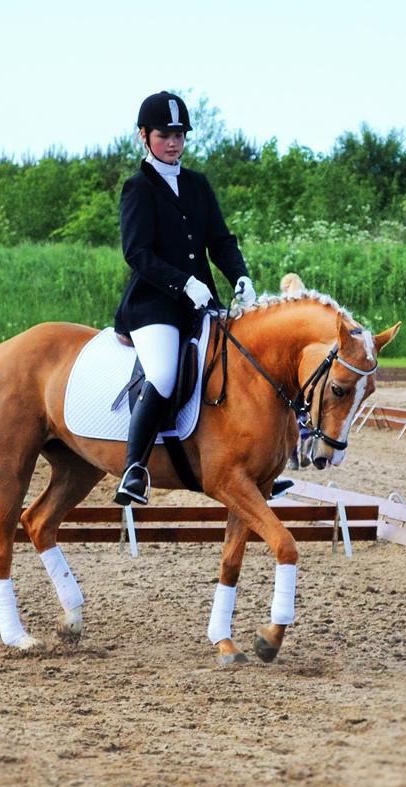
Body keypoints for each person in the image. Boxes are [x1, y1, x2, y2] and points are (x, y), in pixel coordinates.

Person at [113, 91, 257, 505]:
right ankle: (134, 468)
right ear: (144, 136)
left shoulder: (197, 184)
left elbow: (220, 241)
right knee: (162, 374)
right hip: (154, 306)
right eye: (164, 134)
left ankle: (252, 463)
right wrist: (183, 283)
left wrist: (240, 277)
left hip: (202, 303)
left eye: (180, 134)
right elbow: (137, 253)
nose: (174, 142)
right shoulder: (137, 188)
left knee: (236, 364)